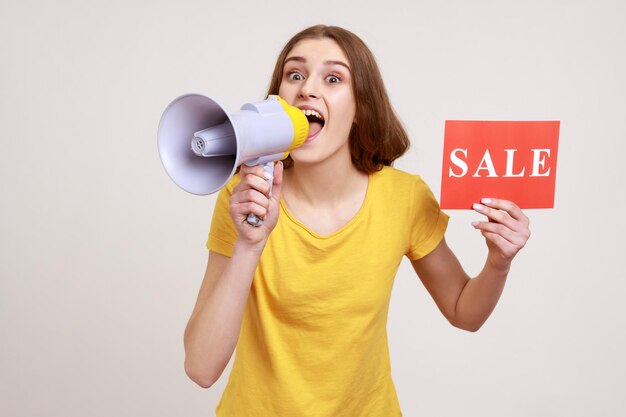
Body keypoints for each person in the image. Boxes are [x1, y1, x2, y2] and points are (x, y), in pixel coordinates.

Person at [183, 25, 530, 416]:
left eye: (333, 78)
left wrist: (499, 264)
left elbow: (464, 313)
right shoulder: (245, 198)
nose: (307, 89)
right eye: (294, 75)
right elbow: (200, 367)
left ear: (361, 108)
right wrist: (249, 245)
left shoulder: (404, 198)